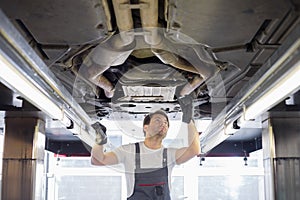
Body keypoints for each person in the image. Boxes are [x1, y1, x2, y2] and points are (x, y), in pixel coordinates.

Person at [91, 95, 200, 199]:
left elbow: (194, 150)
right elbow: (98, 160)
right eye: (158, 120)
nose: (163, 124)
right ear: (145, 127)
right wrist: (100, 141)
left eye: (166, 123)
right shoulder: (129, 151)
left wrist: (188, 119)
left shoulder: (169, 154)